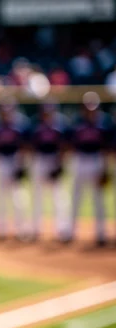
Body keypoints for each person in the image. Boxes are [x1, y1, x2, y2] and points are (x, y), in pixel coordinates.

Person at [68, 95, 110, 246]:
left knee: (98, 199)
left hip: (96, 160)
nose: (90, 110)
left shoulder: (104, 123)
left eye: (93, 107)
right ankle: (71, 232)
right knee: (76, 197)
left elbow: (106, 148)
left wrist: (105, 168)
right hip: (79, 160)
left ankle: (101, 234)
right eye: (87, 106)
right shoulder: (77, 122)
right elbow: (71, 144)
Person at [0, 101, 30, 240]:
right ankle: (1, 229)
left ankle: (21, 228)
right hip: (1, 161)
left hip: (14, 160)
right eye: (3, 111)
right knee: (0, 197)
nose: (6, 114)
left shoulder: (19, 126)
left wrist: (22, 165)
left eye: (8, 110)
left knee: (17, 197)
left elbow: (24, 146)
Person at [30, 101, 69, 242]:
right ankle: (36, 229)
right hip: (39, 160)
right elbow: (30, 145)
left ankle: (62, 229)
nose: (47, 114)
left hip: (53, 159)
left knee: (58, 197)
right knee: (38, 196)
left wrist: (60, 164)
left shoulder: (60, 124)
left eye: (49, 111)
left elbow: (64, 145)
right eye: (45, 111)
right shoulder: (36, 125)